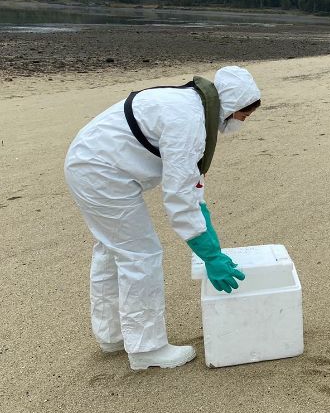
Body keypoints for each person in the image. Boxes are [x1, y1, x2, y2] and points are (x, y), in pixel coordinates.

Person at [64, 66, 261, 369]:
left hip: (90, 162)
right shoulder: (190, 122)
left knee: (113, 250)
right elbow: (180, 200)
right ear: (231, 106)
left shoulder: (189, 103)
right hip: (102, 171)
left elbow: (191, 189)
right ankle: (146, 348)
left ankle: (113, 335)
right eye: (243, 115)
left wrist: (210, 239)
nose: (242, 122)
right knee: (140, 254)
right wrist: (210, 255)